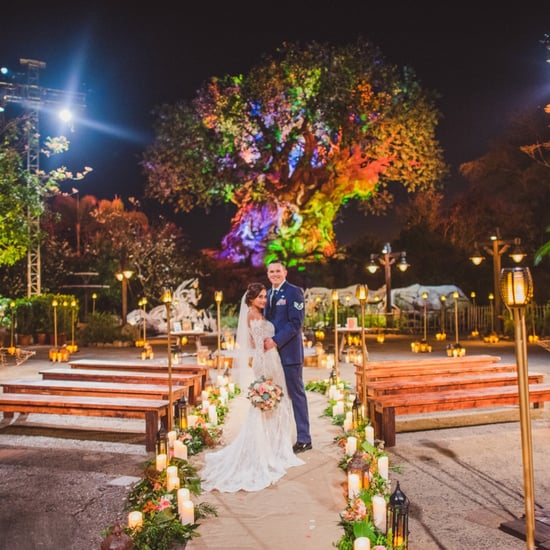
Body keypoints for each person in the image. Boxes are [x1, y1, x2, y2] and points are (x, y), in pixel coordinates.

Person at [200, 282, 304, 492]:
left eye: (265, 296)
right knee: (271, 404)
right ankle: (266, 448)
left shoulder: (258, 313)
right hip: (266, 361)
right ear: (250, 299)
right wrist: (266, 372)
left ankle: (274, 444)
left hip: (270, 358)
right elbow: (258, 346)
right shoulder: (253, 315)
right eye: (260, 297)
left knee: (277, 404)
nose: (264, 300)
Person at [264, 260, 312, 453]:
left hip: (290, 354)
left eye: (278, 270)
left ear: (285, 272)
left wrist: (275, 340)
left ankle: (304, 438)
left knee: (296, 395)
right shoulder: (268, 294)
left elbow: (295, 323)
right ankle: (278, 437)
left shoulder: (294, 292)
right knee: (275, 395)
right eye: (271, 271)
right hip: (272, 355)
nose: (275, 274)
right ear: (268, 274)